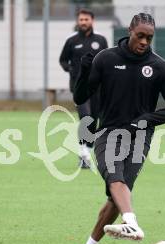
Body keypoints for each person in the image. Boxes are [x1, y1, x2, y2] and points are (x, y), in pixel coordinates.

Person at [73, 13, 165, 244]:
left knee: (116, 197)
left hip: (140, 139)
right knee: (116, 179)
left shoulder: (159, 67)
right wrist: (84, 72)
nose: (145, 41)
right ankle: (131, 221)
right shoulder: (106, 59)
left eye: (149, 38)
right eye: (141, 36)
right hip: (109, 133)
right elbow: (81, 97)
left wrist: (144, 120)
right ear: (130, 31)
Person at [59, 8, 108, 168]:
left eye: (86, 20)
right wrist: (71, 69)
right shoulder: (71, 40)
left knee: (94, 119)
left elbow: (106, 60)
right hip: (79, 86)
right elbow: (63, 60)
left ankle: (86, 150)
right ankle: (83, 153)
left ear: (92, 21)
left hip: (97, 87)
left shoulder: (101, 40)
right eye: (81, 20)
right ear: (77, 21)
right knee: (85, 116)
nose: (83, 22)